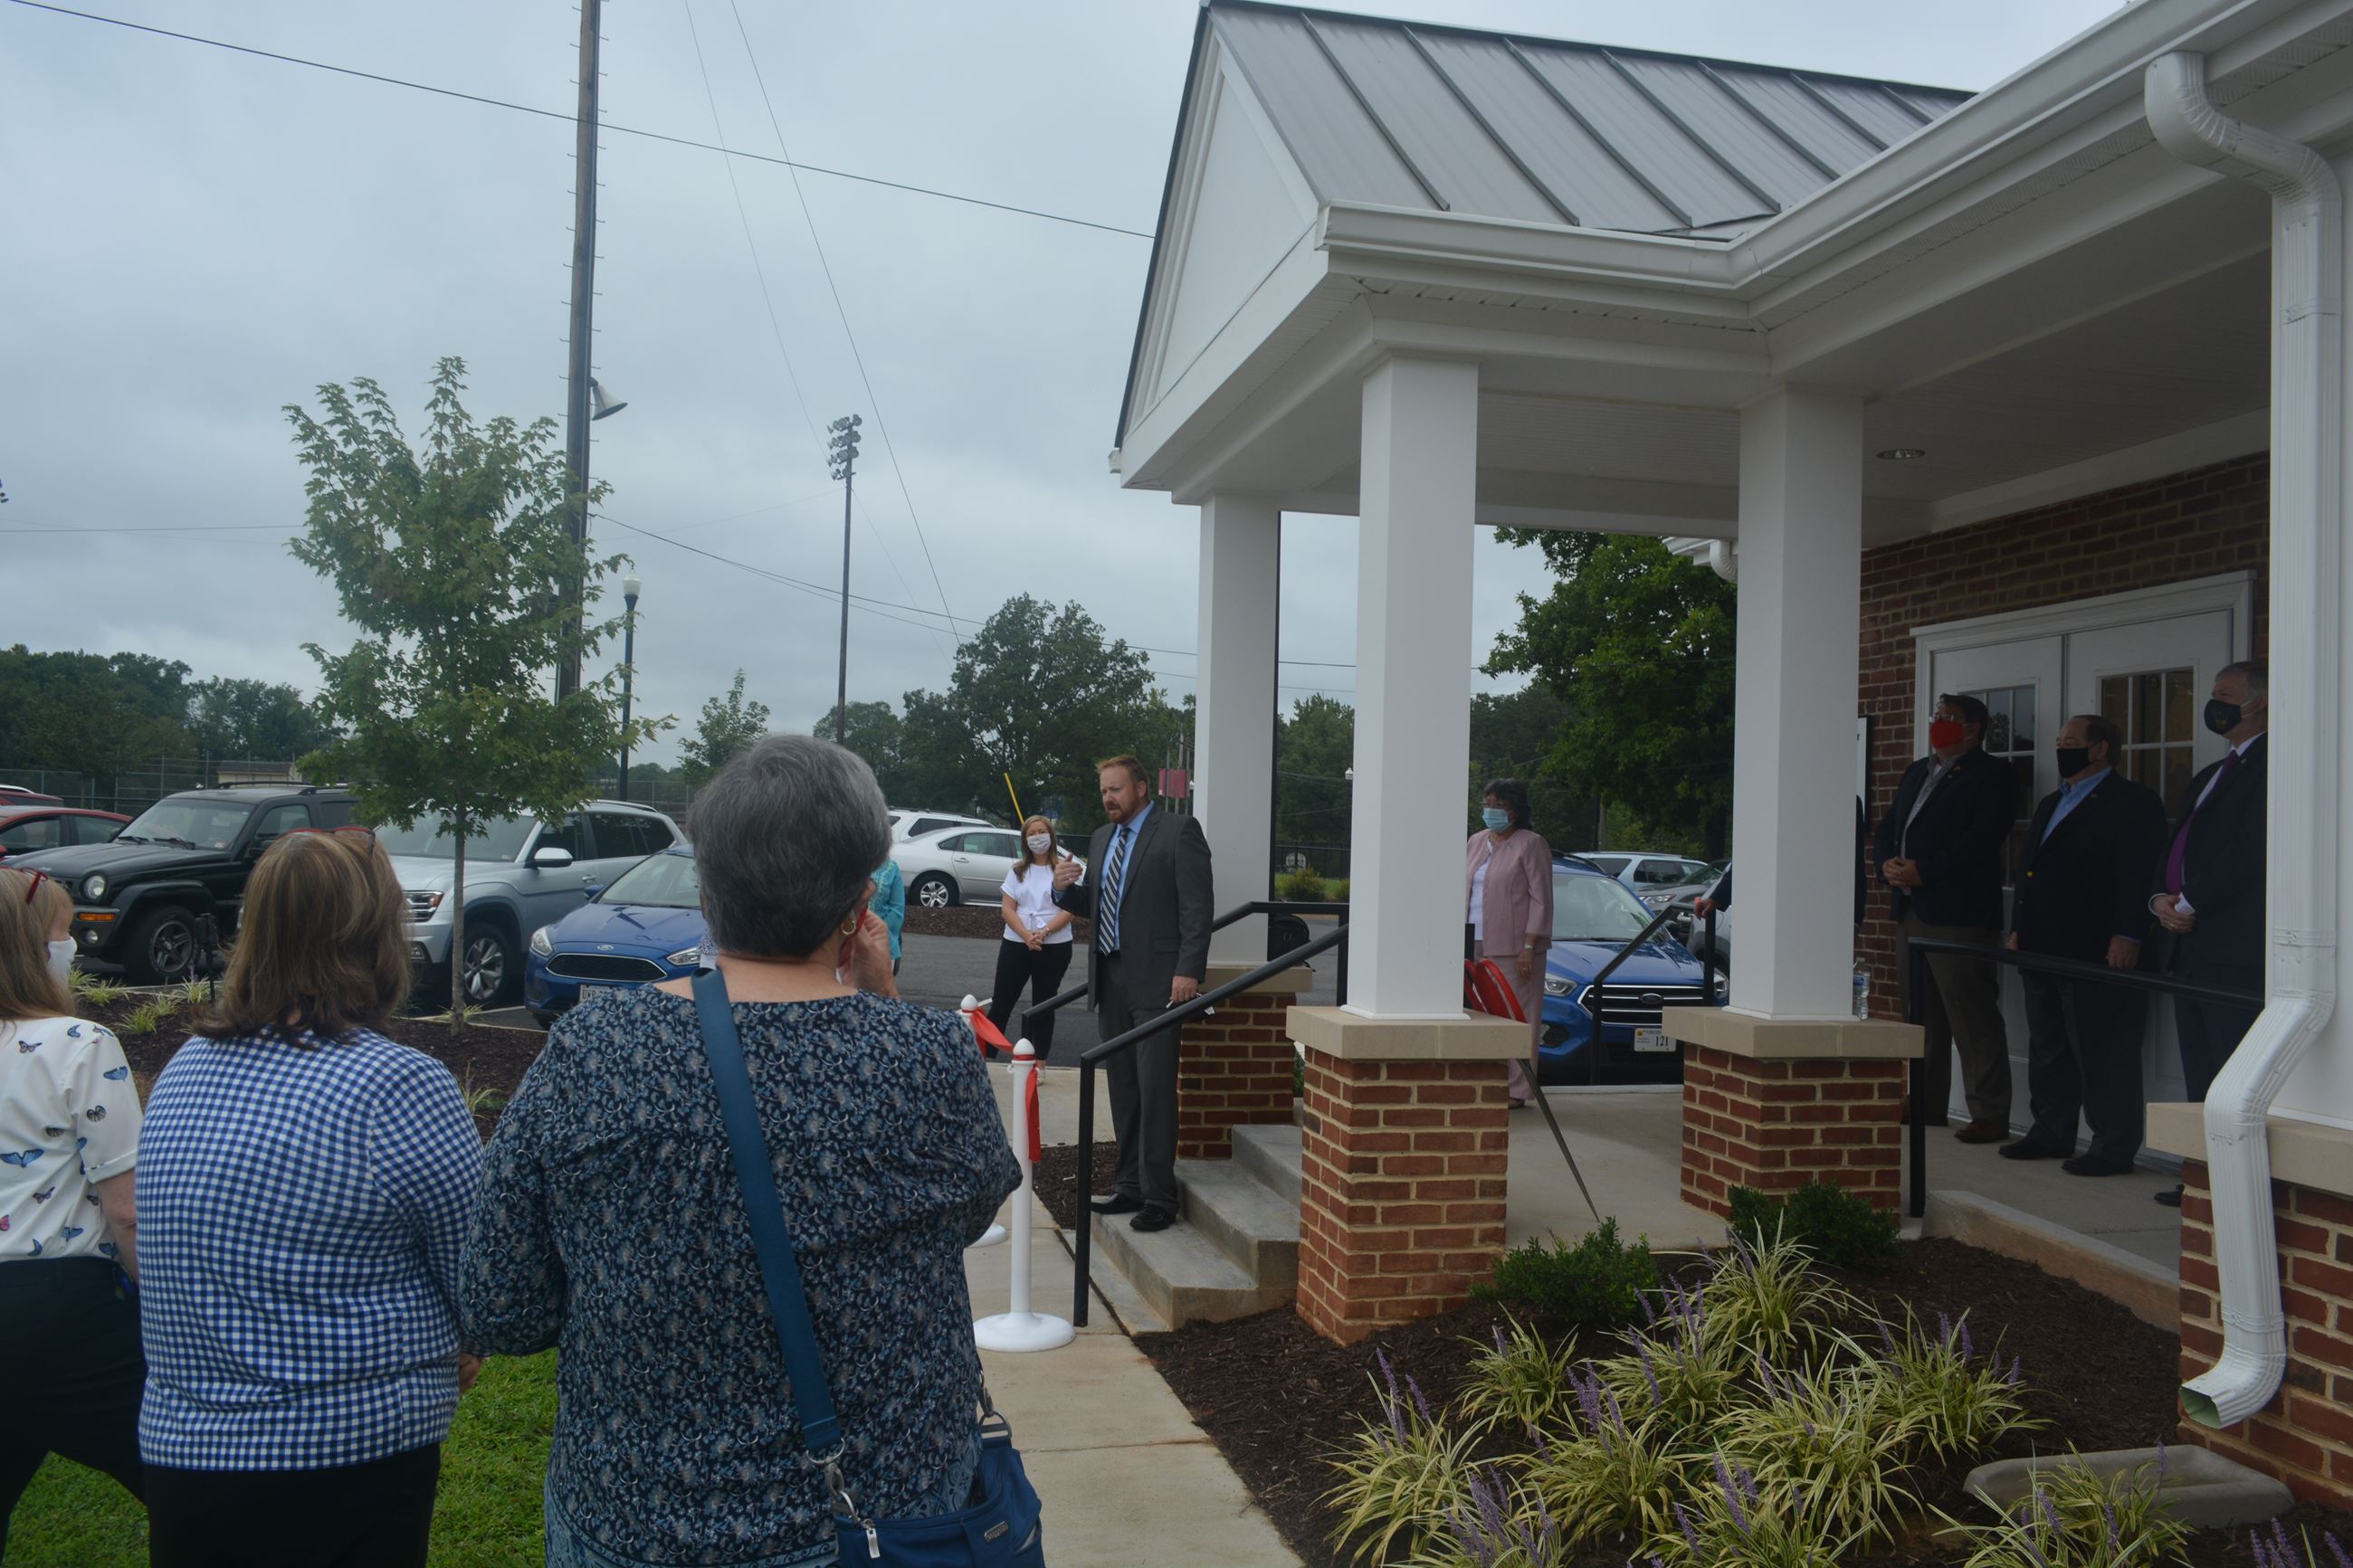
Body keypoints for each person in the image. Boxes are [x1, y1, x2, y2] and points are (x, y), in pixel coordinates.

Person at [462, 736, 1020, 1567]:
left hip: (632, 1522)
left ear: (706, 883)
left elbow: (502, 1306)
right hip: (881, 1522)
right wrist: (885, 997)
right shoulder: (926, 1057)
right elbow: (971, 1211)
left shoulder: (592, 1049)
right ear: (860, 900)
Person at [135, 828, 481, 1568]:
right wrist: (466, 1335)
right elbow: (480, 1277)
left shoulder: (184, 1067)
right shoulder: (396, 1084)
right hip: (346, 1460)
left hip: (185, 1462)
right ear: (375, 937)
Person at [0, 867, 144, 1557]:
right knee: (186, 1473)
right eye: (64, 931)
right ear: (31, 945)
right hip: (60, 1312)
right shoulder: (80, 1044)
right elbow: (128, 1212)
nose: (74, 947)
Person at [1052, 755, 1213, 1235]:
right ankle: (1129, 1185)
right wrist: (1065, 892)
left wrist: (1189, 970)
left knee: (1156, 1088)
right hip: (1111, 976)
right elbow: (1100, 906)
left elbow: (1197, 907)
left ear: (1142, 787)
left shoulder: (1179, 832)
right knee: (1123, 1086)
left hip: (1160, 982)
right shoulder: (1102, 840)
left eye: (1116, 789)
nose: (1108, 798)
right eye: (1103, 790)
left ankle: (1160, 1197)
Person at [2002, 715, 2168, 1176]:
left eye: (2071, 742)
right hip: (2042, 944)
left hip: (2099, 948)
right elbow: (2028, 871)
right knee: (2048, 1045)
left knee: (2105, 1049)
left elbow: (2139, 872)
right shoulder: (2052, 802)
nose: (2061, 749)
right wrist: (2020, 927)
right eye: (2059, 742)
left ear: (2100, 749)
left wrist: (2130, 933)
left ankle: (2112, 1147)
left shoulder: (2133, 802)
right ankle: (2051, 1131)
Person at [2148, 659, 2269, 1207]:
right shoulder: (2210, 774)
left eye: (2225, 694)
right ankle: (2200, 1175)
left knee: (2229, 1066)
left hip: (2231, 947)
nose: (2213, 703)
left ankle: (2233, 1185)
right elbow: (2177, 849)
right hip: (2188, 942)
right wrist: (2159, 900)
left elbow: (2251, 853)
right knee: (2198, 1064)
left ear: (2258, 702)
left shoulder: (2271, 765)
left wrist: (2191, 901)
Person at [1873, 693, 2019, 1143]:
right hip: (1910, 907)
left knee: (1970, 1012)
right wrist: (1887, 865)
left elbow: (1981, 839)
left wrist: (1925, 870)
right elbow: (1890, 826)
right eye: (1936, 716)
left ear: (1975, 728)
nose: (1939, 723)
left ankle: (1989, 1112)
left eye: (1950, 718)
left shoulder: (1994, 775)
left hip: (1958, 912)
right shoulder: (1918, 769)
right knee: (1920, 1013)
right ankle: (1926, 1103)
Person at [1465, 780, 1553, 1107]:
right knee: (1479, 1016)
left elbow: (1541, 898)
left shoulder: (1532, 844)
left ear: (1514, 809)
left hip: (1516, 948)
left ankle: (1517, 1090)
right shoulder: (1475, 841)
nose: (1490, 809)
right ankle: (1484, 1084)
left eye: (1498, 804)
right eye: (1487, 802)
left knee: (1518, 1018)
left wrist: (1529, 945)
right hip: (1473, 941)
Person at [989, 816, 1076, 1060]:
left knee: (1044, 1005)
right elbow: (1007, 908)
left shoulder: (1062, 869)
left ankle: (1039, 1062)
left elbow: (1070, 910)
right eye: (1033, 833)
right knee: (1002, 1002)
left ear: (1051, 835)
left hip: (1054, 946)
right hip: (1016, 943)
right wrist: (1026, 935)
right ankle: (985, 1057)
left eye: (1042, 831)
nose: (1038, 837)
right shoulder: (1017, 871)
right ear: (1025, 840)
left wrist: (1044, 932)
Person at [871, 854, 907, 975]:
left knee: (877, 993)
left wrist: (875, 932)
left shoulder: (891, 868)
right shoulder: (843, 863)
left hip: (883, 945)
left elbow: (897, 910)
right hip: (844, 946)